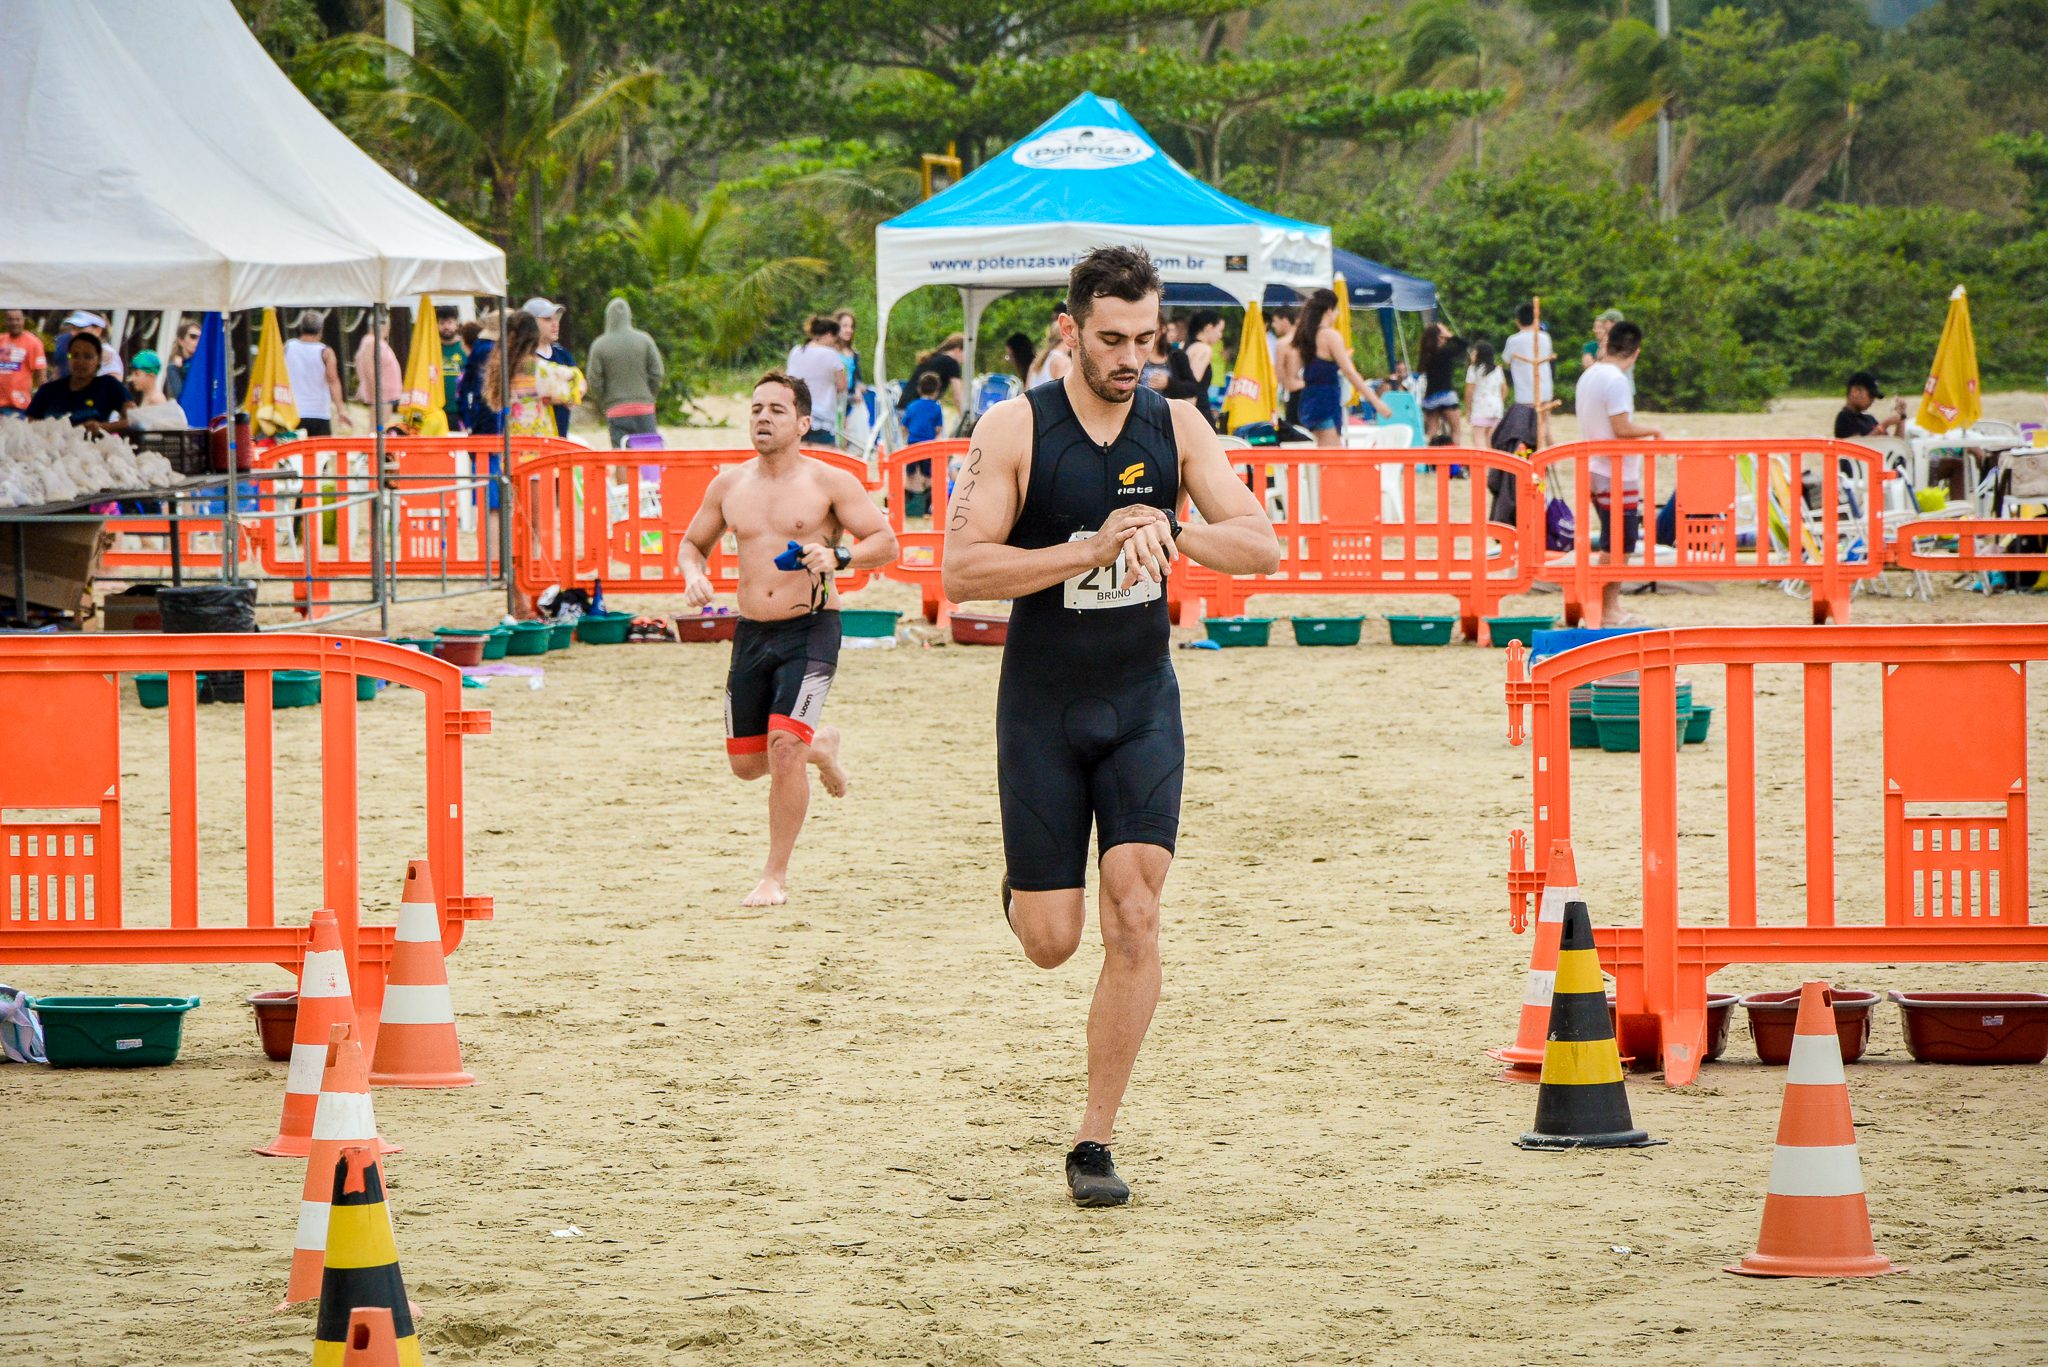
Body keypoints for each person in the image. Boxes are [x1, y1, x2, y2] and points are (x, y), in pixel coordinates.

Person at [940, 245, 1281, 1208]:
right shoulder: (1015, 428)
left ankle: (1095, 1141)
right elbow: (962, 570)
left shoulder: (1178, 424)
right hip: (1041, 706)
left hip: (1140, 702)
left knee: (1135, 913)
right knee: (1053, 939)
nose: (1132, 355)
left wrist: (1171, 532)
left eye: (1146, 336)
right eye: (1112, 339)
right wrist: (1090, 545)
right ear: (1070, 330)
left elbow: (1260, 544)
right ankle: (1019, 889)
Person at [678, 371, 897, 907]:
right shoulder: (728, 486)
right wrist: (692, 575)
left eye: (776, 410)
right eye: (756, 409)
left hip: (811, 629)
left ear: (802, 422)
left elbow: (886, 542)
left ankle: (774, 876)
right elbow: (691, 543)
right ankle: (819, 746)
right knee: (747, 765)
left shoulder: (828, 483)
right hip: (751, 632)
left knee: (781, 750)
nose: (762, 418)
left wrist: (839, 556)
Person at [1574, 320, 1662, 625]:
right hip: (1615, 471)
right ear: (1635, 353)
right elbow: (1621, 427)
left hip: (1595, 466)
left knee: (1612, 541)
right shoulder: (1616, 380)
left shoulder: (1590, 375)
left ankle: (1605, 603)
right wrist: (1653, 430)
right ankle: (1609, 606)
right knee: (1621, 542)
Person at [1294, 287, 1390, 447]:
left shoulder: (1306, 335)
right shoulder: (1330, 336)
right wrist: (1376, 402)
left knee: (1324, 454)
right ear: (1330, 310)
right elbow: (1350, 373)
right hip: (1326, 402)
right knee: (1331, 457)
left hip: (1309, 401)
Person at [585, 297, 666, 448]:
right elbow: (657, 373)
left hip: (616, 409)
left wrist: (605, 400)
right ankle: (651, 473)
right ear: (629, 317)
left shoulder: (599, 345)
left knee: (621, 456)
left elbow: (593, 379)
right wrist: (649, 395)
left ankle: (623, 472)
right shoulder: (645, 340)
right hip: (644, 407)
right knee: (650, 455)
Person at [27, 333, 132, 431]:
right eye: (75, 356)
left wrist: (102, 427)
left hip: (92, 447)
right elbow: (28, 426)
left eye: (88, 356)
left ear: (99, 359)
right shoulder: (48, 390)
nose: (80, 362)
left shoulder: (108, 385)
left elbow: (134, 419)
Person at [485, 310, 555, 439]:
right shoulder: (536, 368)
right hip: (534, 437)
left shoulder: (502, 365)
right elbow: (574, 384)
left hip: (511, 437)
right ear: (535, 337)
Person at [786, 315, 849, 449]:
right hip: (823, 418)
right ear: (829, 335)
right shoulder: (831, 355)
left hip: (797, 414)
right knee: (823, 460)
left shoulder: (796, 351)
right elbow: (843, 386)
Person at [287, 312, 352, 438]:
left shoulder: (288, 347)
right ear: (320, 331)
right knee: (321, 455)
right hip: (319, 412)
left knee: (294, 454)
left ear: (301, 328)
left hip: (293, 411)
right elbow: (333, 381)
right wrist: (341, 409)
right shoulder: (325, 352)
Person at [1502, 302, 1554, 446]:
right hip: (1545, 388)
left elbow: (1506, 360)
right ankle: (1553, 461)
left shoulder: (1513, 340)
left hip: (1525, 392)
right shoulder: (1544, 337)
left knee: (1530, 429)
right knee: (1545, 425)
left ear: (1517, 320)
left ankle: (1538, 455)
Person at [522, 297, 575, 438]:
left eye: (556, 318)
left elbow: (577, 389)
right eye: (547, 319)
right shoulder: (521, 358)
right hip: (531, 439)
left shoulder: (563, 355)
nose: (555, 324)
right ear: (530, 324)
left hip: (561, 437)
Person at [1164, 309, 1221, 428]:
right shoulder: (1203, 349)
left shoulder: (1188, 346)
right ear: (1209, 327)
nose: (1220, 335)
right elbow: (1193, 385)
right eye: (1219, 330)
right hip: (1198, 412)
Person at [1418, 321, 1465, 445]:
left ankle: (1426, 460)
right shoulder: (1445, 353)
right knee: (1455, 431)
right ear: (1439, 337)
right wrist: (1449, 334)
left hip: (1430, 398)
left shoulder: (1426, 356)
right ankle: (1456, 462)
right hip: (1447, 395)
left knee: (1431, 431)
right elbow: (1463, 344)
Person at [354, 314, 402, 431]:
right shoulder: (371, 342)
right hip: (381, 396)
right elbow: (369, 368)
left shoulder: (376, 342)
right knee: (379, 429)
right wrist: (376, 393)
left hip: (385, 396)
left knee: (382, 427)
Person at [901, 334, 967, 417]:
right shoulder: (951, 363)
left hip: (905, 407)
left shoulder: (934, 358)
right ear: (958, 350)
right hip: (917, 412)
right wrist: (964, 417)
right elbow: (958, 396)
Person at [457, 309, 500, 436]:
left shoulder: (480, 350)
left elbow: (464, 393)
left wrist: (468, 422)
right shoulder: (491, 351)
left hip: (481, 421)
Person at [1, 310, 48, 418]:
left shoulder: (33, 343)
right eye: (10, 319)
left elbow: (41, 377)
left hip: (18, 407)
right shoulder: (1, 340)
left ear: (23, 320)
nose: (14, 323)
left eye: (17, 319)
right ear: (5, 321)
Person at [1834, 371, 1906, 441]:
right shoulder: (1845, 417)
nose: (1872, 400)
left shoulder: (1869, 419)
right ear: (1855, 391)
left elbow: (1896, 446)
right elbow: (1858, 447)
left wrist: (1901, 417)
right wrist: (1884, 425)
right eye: (1871, 396)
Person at [1464, 338, 1505, 451]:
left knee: (1478, 437)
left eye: (1474, 352)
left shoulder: (1473, 369)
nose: (1472, 354)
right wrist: (1499, 401)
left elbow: (1469, 391)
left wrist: (1468, 409)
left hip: (1480, 407)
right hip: (1496, 407)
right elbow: (1504, 389)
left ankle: (1484, 466)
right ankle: (1492, 466)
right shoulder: (1498, 369)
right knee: (1490, 439)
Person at [1270, 309, 1302, 430]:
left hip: (1292, 393)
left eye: (1275, 321)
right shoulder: (1307, 340)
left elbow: (1277, 375)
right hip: (1309, 391)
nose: (1273, 325)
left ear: (1285, 321)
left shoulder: (1282, 344)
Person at [436, 306, 467, 423]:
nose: (446, 327)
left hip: (461, 409)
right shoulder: (432, 348)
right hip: (438, 410)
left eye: (450, 322)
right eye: (442, 323)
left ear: (457, 324)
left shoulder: (465, 347)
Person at [1027, 316, 1071, 388]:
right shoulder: (1063, 362)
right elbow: (1063, 395)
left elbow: (1025, 393)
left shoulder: (1036, 362)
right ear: (1067, 335)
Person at [903, 371, 945, 445]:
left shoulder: (912, 405)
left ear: (919, 389)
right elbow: (938, 428)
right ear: (936, 391)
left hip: (912, 443)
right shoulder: (936, 407)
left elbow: (904, 426)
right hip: (928, 444)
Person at [163, 318, 199, 403]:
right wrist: (178, 369)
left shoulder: (203, 364)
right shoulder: (173, 367)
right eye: (193, 337)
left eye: (200, 337)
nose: (197, 341)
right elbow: (182, 397)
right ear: (181, 341)